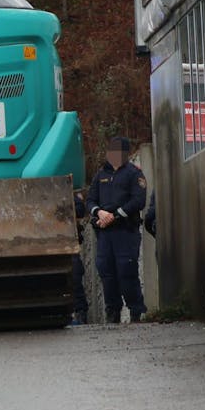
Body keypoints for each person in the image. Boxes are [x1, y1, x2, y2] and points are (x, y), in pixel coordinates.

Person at [86, 136, 147, 323]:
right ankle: (113, 311)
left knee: (126, 270)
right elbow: (90, 200)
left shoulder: (133, 174)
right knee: (107, 271)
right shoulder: (100, 175)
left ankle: (136, 310)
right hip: (105, 234)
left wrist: (115, 215)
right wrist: (99, 212)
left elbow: (138, 201)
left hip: (125, 231)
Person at [71, 188, 90, 326]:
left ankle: (80, 313)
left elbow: (79, 209)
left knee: (75, 275)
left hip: (67, 244)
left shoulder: (63, 189)